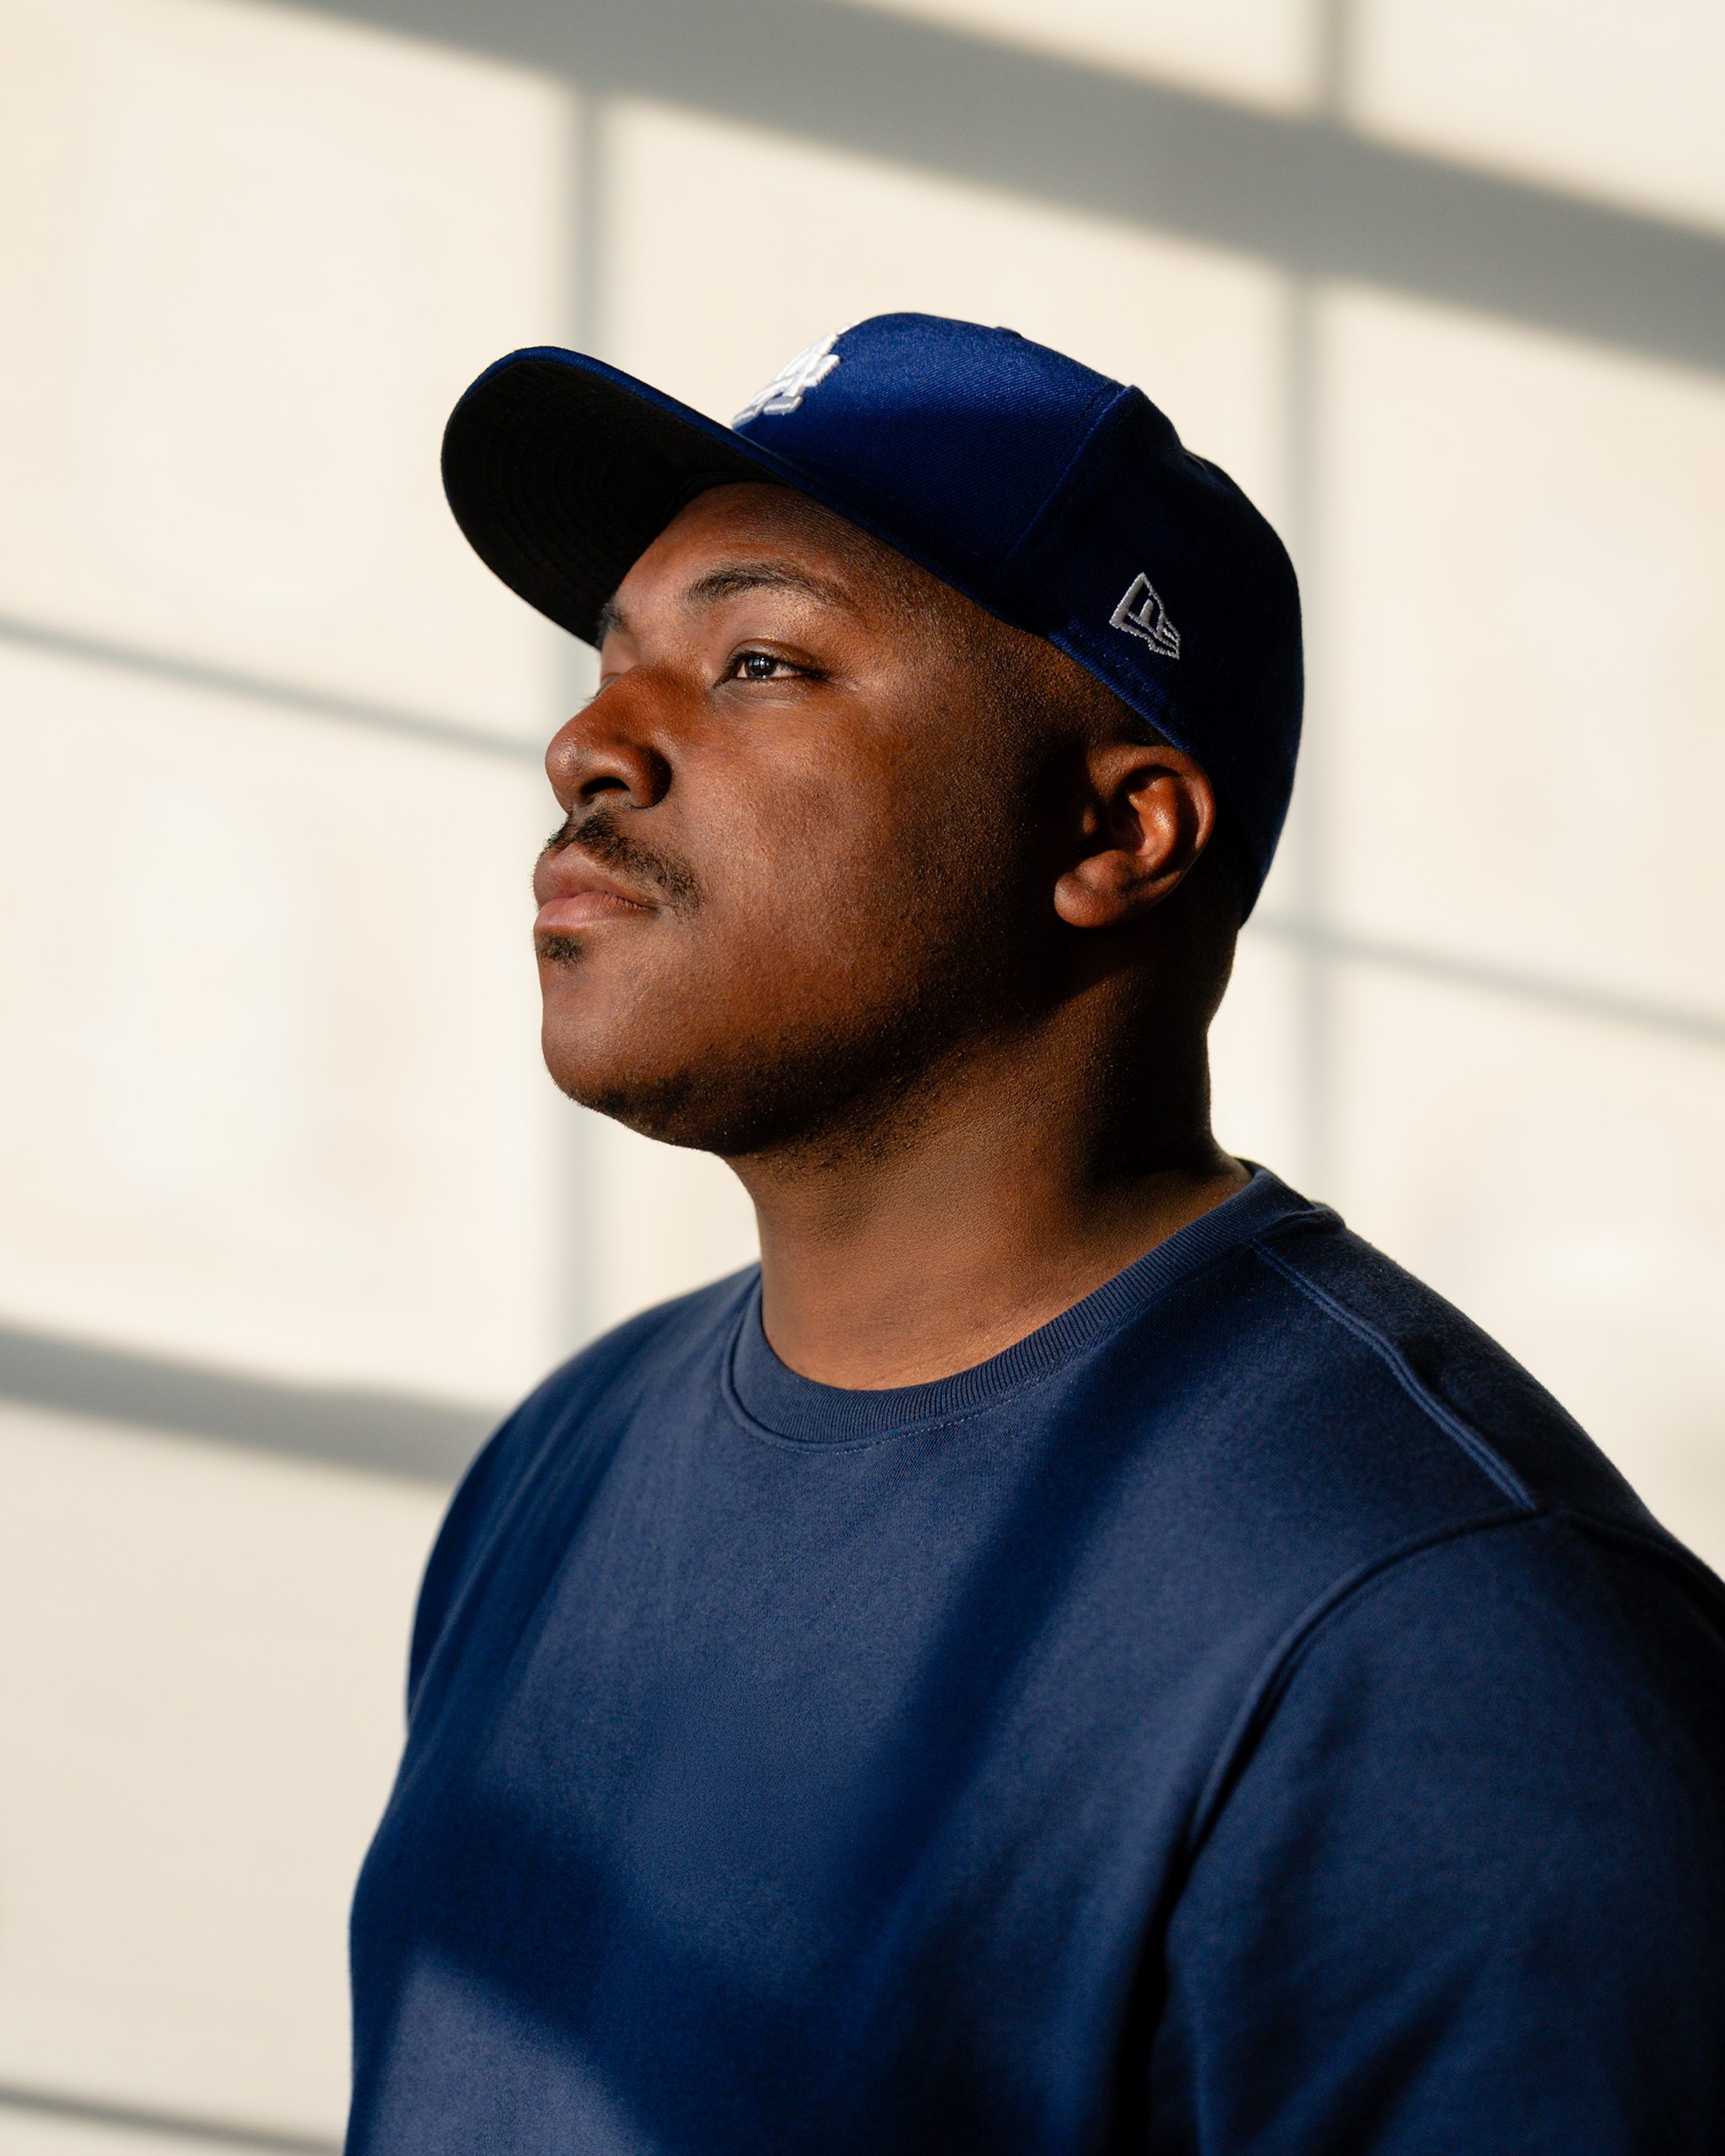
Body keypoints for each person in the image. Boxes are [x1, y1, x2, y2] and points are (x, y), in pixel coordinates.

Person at [345, 315, 1725, 2153]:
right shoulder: (566, 1459)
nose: (586, 746)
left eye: (756, 662)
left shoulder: (1446, 1655)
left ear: (1116, 831)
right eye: (611, 664)